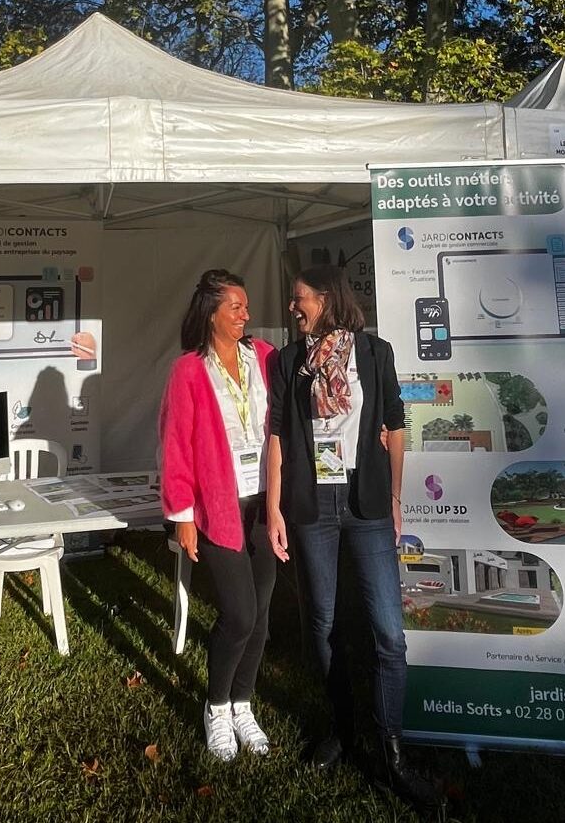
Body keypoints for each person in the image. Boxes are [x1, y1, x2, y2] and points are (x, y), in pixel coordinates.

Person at [265, 265, 436, 808]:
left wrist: (396, 497)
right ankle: (342, 729)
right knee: (321, 624)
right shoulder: (288, 362)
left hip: (366, 504)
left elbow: (395, 423)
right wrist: (273, 508)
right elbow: (277, 435)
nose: (293, 308)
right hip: (312, 504)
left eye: (299, 298)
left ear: (326, 298)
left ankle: (391, 753)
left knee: (389, 632)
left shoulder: (375, 353)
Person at [158, 269, 277, 760]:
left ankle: (243, 704)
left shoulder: (264, 355)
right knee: (240, 613)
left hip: (266, 504)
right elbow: (175, 445)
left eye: (246, 306)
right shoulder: (188, 370)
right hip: (218, 506)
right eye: (236, 307)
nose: (246, 314)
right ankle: (217, 705)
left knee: (262, 616)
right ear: (211, 313)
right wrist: (183, 515)